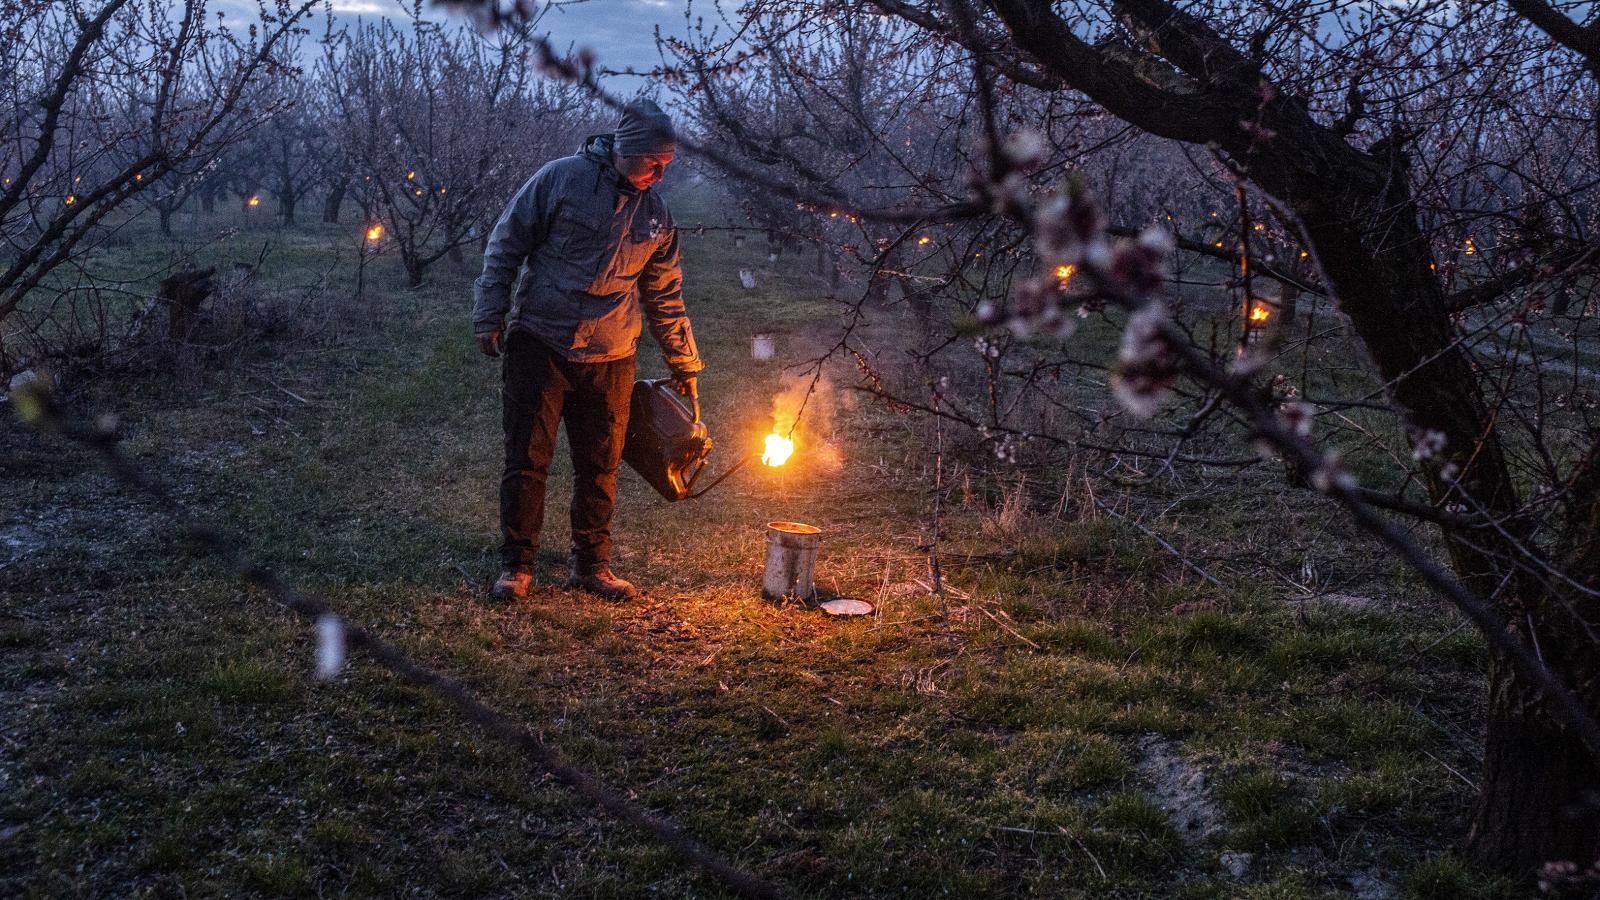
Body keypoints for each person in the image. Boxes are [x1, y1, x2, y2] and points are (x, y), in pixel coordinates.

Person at [472, 99, 702, 602]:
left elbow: (665, 292)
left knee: (601, 462)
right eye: (653, 163)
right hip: (541, 340)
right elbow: (506, 244)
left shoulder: (656, 215)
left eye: (668, 165)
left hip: (612, 353)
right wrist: (490, 312)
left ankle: (591, 564)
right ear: (625, 149)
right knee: (528, 458)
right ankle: (517, 565)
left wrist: (684, 360)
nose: (660, 175)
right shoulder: (559, 180)